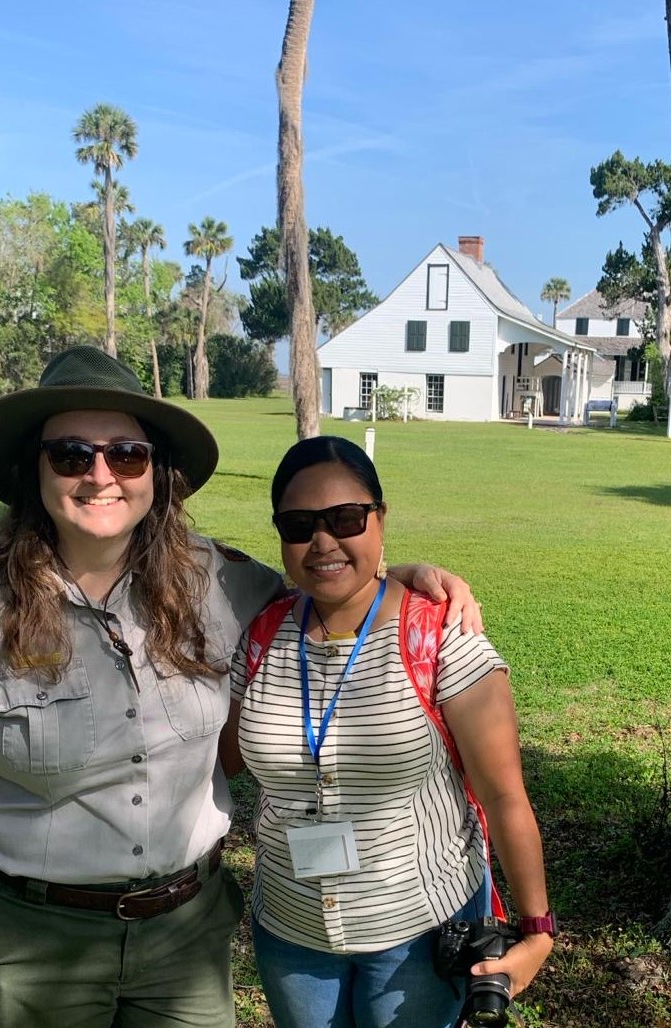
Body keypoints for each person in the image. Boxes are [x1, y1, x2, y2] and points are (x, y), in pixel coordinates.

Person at [0, 346, 482, 1028]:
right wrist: (23, 812)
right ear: (33, 471)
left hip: (184, 933)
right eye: (71, 454)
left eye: (126, 454)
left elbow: (326, 584)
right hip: (33, 939)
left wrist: (401, 574)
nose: (100, 475)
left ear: (156, 473)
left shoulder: (220, 583)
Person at [221, 435, 554, 1028]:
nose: (323, 540)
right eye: (299, 525)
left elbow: (505, 795)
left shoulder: (442, 633)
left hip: (417, 934)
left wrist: (536, 929)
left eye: (346, 518)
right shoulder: (262, 633)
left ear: (380, 518)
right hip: (290, 929)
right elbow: (220, 759)